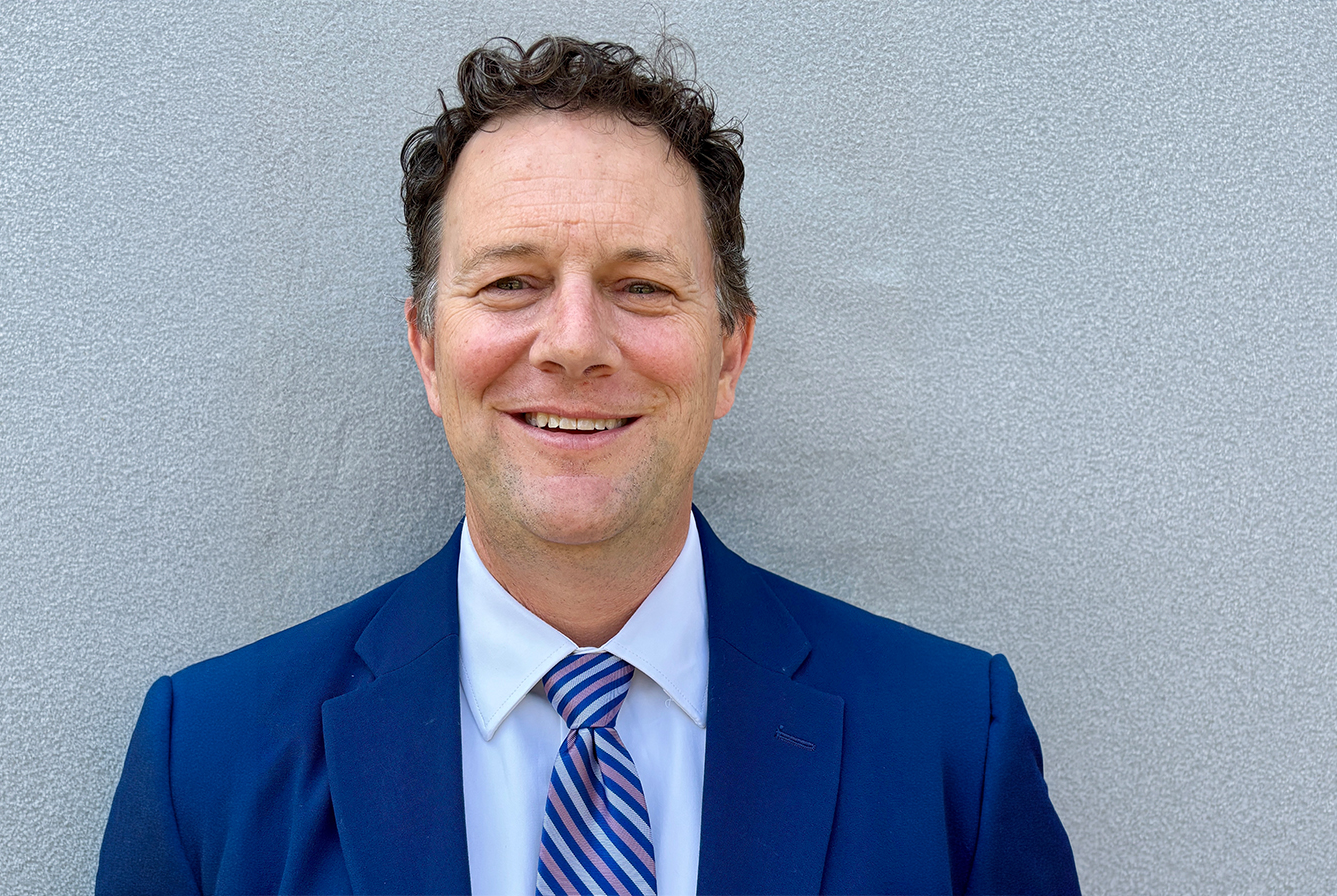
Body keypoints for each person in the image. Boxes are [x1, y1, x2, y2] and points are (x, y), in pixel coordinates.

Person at [97, 36, 1080, 896]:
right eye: (510, 282)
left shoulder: (951, 748)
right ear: (427, 349)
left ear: (728, 353)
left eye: (640, 286)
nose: (573, 343)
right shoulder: (209, 761)